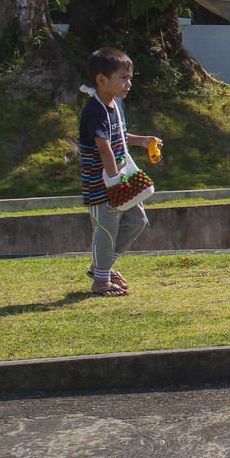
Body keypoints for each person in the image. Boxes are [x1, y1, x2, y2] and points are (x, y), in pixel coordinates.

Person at [79, 47, 161, 297]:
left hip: (117, 179)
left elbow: (119, 136)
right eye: (123, 78)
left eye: (130, 78)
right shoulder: (94, 110)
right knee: (106, 230)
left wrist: (144, 140)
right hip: (102, 183)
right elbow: (104, 149)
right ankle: (101, 281)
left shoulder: (116, 105)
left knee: (137, 220)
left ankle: (101, 268)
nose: (129, 83)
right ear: (102, 80)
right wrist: (115, 184)